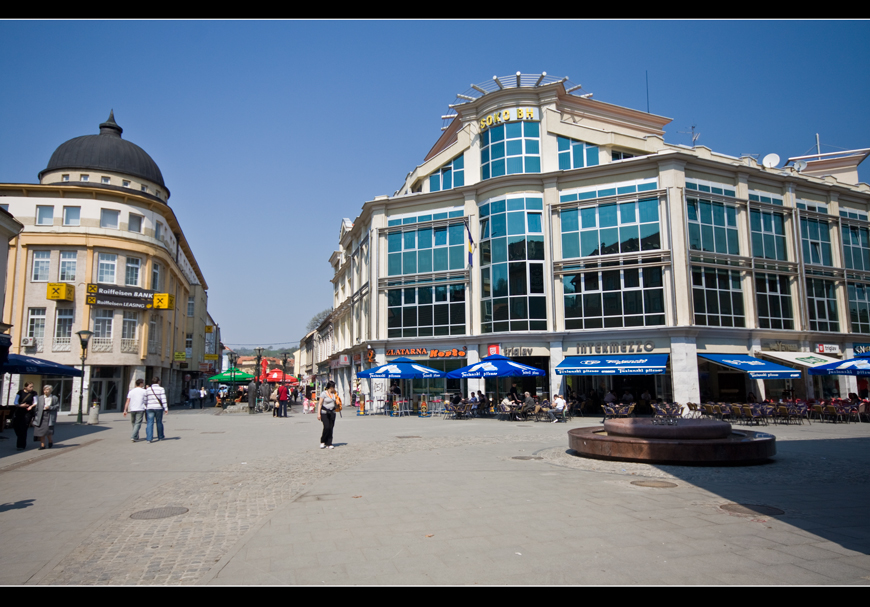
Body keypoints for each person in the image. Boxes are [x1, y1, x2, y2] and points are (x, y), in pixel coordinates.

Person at [32, 385, 60, 449]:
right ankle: (42, 445)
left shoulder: (54, 398)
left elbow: (57, 406)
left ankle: (50, 441)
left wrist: (50, 407)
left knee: (48, 431)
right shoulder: (40, 398)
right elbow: (37, 408)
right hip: (41, 416)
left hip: (49, 415)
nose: (46, 391)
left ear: (51, 390)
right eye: (44, 390)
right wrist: (35, 416)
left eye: (47, 389)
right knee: (40, 431)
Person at [12, 382, 38, 451]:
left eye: (32, 386)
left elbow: (36, 402)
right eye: (30, 387)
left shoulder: (34, 393)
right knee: (16, 426)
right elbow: (15, 402)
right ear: (26, 387)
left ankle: (21, 445)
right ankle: (20, 438)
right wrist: (20, 405)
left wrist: (31, 406)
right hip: (19, 411)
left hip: (28, 412)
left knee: (23, 428)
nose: (32, 388)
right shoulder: (20, 392)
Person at [144, 377, 168, 443]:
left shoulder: (148, 389)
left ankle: (149, 438)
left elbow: (145, 399)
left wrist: (146, 405)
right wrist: (165, 408)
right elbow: (163, 399)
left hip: (150, 407)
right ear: (159, 381)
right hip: (158, 407)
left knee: (149, 423)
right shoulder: (161, 389)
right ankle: (160, 436)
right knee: (159, 422)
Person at [316, 380, 338, 449]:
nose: (333, 388)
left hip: (332, 412)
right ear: (330, 387)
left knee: (331, 427)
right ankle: (323, 441)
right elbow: (320, 404)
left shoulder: (335, 394)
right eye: (333, 387)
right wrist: (318, 414)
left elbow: (337, 402)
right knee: (327, 427)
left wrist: (337, 404)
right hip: (324, 413)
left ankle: (329, 443)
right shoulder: (323, 394)